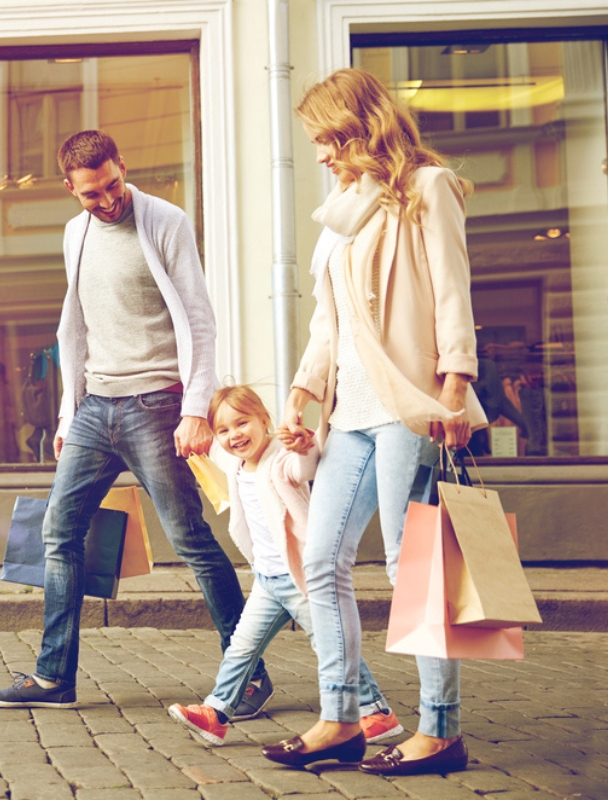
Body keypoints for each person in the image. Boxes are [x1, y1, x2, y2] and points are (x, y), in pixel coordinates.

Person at [0, 130, 268, 712]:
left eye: (112, 185)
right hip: (94, 408)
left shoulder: (165, 221)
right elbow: (75, 323)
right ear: (70, 189)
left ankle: (248, 678)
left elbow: (200, 321)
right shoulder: (74, 231)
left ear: (122, 166)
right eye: (91, 194)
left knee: (189, 540)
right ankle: (54, 677)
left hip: (156, 405)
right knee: (59, 533)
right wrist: (68, 410)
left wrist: (193, 410)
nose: (107, 201)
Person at [263, 68, 487, 775]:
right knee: (320, 561)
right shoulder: (343, 209)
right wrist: (302, 389)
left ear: (361, 126)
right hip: (348, 412)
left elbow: (453, 295)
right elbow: (329, 319)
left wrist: (454, 388)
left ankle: (441, 729)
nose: (322, 155)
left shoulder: (428, 187)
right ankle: (342, 717)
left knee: (410, 564)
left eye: (327, 139)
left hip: (406, 406)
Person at [168, 386, 403, 747]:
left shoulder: (279, 459)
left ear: (264, 420)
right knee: (241, 646)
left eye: (242, 423)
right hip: (267, 579)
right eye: (224, 430)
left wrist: (303, 445)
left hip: (300, 576)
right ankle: (216, 714)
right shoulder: (237, 466)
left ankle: (376, 712)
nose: (235, 435)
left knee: (330, 641)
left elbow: (303, 468)